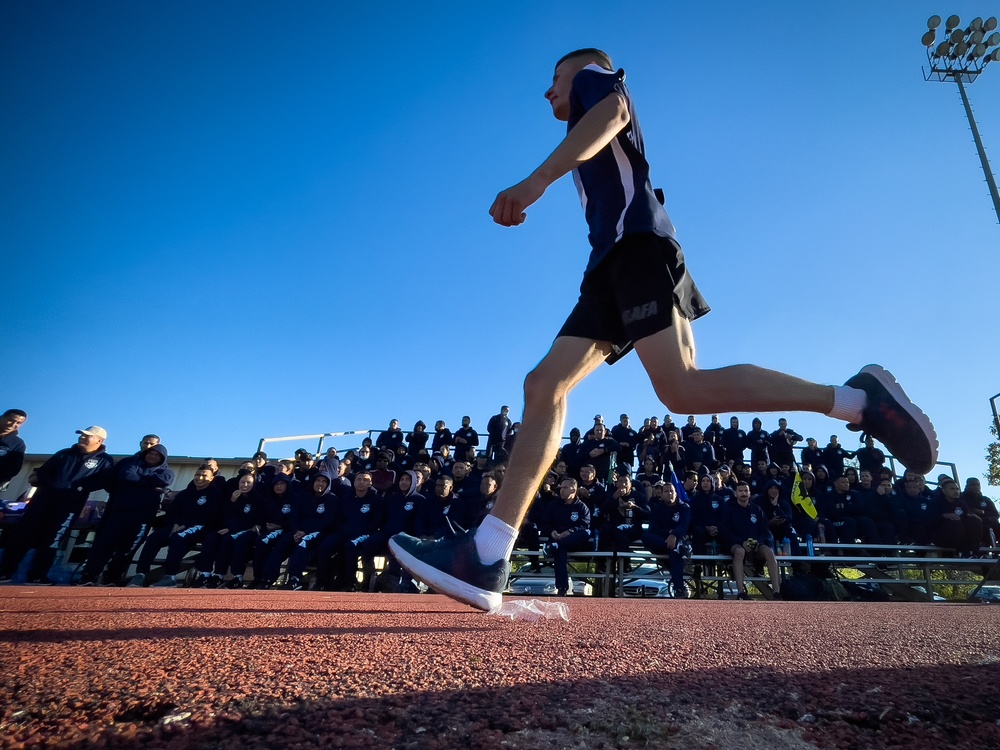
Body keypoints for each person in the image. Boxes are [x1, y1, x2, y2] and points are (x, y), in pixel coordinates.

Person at [387, 47, 938, 611]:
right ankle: (487, 553)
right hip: (608, 264)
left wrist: (535, 183)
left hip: (637, 248)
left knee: (682, 386)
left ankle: (856, 400)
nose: (548, 91)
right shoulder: (583, 120)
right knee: (545, 385)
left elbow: (614, 114)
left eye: (554, 78)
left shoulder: (594, 82)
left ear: (581, 70)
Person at [0, 426, 114, 584]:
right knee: (23, 534)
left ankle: (37, 575)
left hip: (70, 505)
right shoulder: (63, 454)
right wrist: (46, 483)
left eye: (88, 436)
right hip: (43, 500)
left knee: (52, 539)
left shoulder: (105, 461)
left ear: (99, 440)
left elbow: (103, 480)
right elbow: (43, 472)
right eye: (81, 435)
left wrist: (80, 487)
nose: (82, 438)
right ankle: (5, 571)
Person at [78, 443, 174, 586]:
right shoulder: (131, 464)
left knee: (128, 548)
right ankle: (89, 576)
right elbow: (127, 476)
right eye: (150, 453)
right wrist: (149, 483)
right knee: (105, 544)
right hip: (119, 513)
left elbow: (164, 480)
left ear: (163, 458)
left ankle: (111, 578)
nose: (152, 456)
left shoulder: (167, 471)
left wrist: (140, 480)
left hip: (144, 517)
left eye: (156, 455)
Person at [722, 483, 781, 600]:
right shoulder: (728, 509)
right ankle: (741, 592)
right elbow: (725, 531)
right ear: (735, 493)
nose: (743, 493)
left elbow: (765, 531)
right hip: (736, 544)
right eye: (740, 491)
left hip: (756, 545)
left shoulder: (757, 510)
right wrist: (742, 542)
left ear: (749, 493)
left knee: (769, 552)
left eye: (745, 491)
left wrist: (757, 542)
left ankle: (777, 592)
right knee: (739, 552)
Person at [542, 477, 592, 596]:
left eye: (565, 488)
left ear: (573, 490)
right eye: (561, 487)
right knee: (560, 551)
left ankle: (555, 546)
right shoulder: (554, 505)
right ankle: (562, 588)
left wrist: (570, 531)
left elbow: (585, 524)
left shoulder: (582, 507)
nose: (562, 490)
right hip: (557, 538)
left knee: (586, 533)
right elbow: (545, 523)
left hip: (574, 541)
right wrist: (552, 531)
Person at [640, 481, 690, 598]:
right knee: (645, 536)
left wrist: (674, 535)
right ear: (661, 495)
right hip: (661, 542)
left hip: (679, 539)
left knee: (675, 553)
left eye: (672, 491)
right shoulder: (657, 509)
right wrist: (669, 533)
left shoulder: (684, 507)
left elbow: (684, 525)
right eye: (666, 491)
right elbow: (653, 529)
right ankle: (674, 546)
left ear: (676, 493)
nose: (669, 494)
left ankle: (679, 589)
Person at [0, 409, 27, 491]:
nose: (13, 425)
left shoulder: (18, 444)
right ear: (2, 418)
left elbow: (14, 469)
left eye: (18, 423)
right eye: (11, 420)